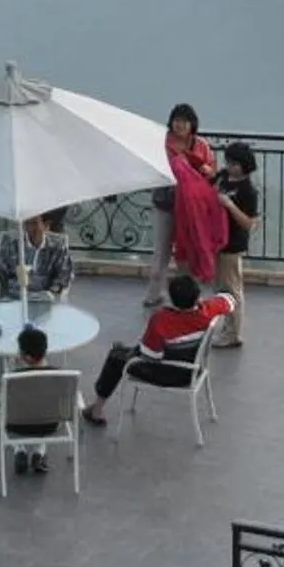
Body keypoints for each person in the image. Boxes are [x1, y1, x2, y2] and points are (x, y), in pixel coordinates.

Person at [81, 272, 237, 425]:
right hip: (193, 370)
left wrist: (133, 350)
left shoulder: (161, 320)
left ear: (172, 299)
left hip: (166, 374)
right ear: (197, 297)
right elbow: (229, 300)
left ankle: (97, 410)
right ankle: (97, 407)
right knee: (125, 351)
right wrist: (207, 303)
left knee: (116, 357)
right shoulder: (207, 311)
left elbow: (151, 355)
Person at [145, 102, 214, 305]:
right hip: (166, 204)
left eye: (184, 121)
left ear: (192, 124)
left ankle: (190, 296)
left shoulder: (201, 145)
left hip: (193, 208)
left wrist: (205, 172)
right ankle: (153, 294)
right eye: (177, 121)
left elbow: (211, 169)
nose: (180, 125)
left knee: (191, 249)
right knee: (162, 251)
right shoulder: (162, 144)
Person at [211, 141, 259, 347]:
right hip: (217, 241)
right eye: (228, 162)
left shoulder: (248, 191)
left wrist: (229, 205)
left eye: (234, 163)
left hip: (233, 244)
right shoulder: (222, 176)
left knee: (231, 289)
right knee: (222, 287)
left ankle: (232, 333)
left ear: (244, 165)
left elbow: (249, 223)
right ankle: (227, 329)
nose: (229, 166)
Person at [0, 324, 62, 474]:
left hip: (16, 425)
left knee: (5, 416)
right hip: (50, 424)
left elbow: (3, 401)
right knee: (44, 414)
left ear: (25, 357)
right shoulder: (58, 375)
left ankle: (19, 449)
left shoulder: (12, 379)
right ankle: (39, 452)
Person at [0, 210, 74, 304]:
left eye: (34, 223)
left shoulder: (57, 248)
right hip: (14, 298)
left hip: (43, 300)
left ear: (46, 225)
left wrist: (52, 292)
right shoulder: (13, 245)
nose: (30, 228)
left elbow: (64, 276)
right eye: (27, 224)